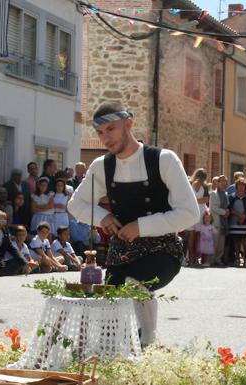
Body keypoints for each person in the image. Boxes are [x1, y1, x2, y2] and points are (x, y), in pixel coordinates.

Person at [67, 100, 199, 346]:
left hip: (162, 249)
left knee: (135, 284)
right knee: (108, 319)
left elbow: (190, 213)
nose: (105, 138)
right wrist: (103, 216)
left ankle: (149, 345)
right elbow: (76, 205)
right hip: (121, 254)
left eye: (111, 129)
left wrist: (142, 226)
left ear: (129, 124)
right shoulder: (101, 166)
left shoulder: (164, 160)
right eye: (100, 132)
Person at [186, 168, 209, 265]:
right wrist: (199, 200)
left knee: (198, 236)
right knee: (192, 236)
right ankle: (192, 258)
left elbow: (206, 199)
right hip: (192, 212)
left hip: (200, 212)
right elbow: (188, 198)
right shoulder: (189, 184)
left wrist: (195, 200)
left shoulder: (204, 186)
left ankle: (195, 258)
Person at [228, 178, 246, 267]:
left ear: (245, 186)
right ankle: (237, 258)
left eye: (243, 185)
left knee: (245, 242)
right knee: (236, 241)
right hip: (234, 222)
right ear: (236, 186)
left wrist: (244, 217)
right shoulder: (231, 196)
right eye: (239, 185)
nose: (241, 187)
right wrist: (239, 215)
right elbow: (229, 208)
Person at [209, 175, 229, 266]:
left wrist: (227, 212)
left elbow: (227, 206)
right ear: (218, 183)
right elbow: (213, 208)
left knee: (221, 243)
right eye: (222, 181)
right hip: (216, 221)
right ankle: (211, 260)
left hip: (224, 222)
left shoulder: (226, 194)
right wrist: (224, 212)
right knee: (214, 242)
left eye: (225, 181)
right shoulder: (213, 194)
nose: (224, 183)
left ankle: (218, 259)